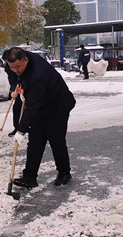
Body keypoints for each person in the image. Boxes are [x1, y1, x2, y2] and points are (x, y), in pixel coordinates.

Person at [7, 48, 76, 187]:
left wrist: (20, 130)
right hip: (40, 105)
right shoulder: (12, 65)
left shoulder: (39, 72)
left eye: (18, 67)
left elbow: (32, 105)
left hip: (58, 105)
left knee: (55, 139)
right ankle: (30, 177)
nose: (15, 70)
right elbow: (14, 78)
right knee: (35, 141)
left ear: (26, 60)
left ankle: (64, 173)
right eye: (12, 67)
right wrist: (16, 88)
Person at [2, 49, 21, 137]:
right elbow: (12, 79)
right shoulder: (7, 67)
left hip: (28, 86)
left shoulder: (20, 64)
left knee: (30, 107)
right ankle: (17, 128)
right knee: (17, 107)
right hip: (18, 88)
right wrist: (13, 90)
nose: (7, 62)